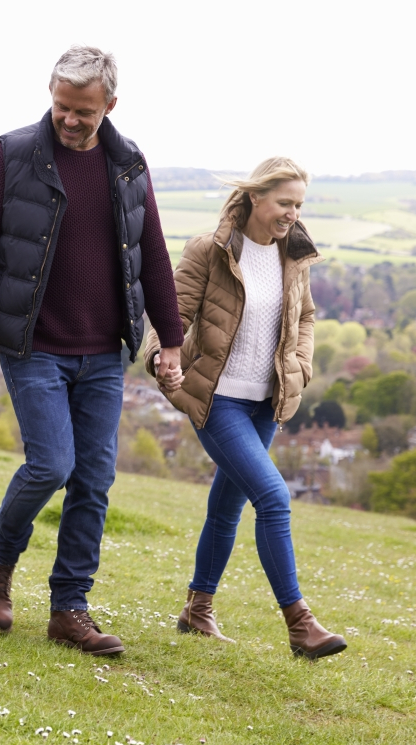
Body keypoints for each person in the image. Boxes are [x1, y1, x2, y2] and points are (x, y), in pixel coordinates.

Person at [0, 45, 184, 656]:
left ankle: (69, 609)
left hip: (104, 349)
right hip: (33, 343)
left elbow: (151, 254)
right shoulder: (13, 154)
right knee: (52, 465)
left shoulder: (128, 163)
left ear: (110, 105)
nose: (70, 120)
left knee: (94, 479)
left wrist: (171, 341)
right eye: (61, 107)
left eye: (83, 111)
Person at [142, 157, 347, 660]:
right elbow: (173, 313)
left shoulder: (292, 256)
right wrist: (157, 356)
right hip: (217, 400)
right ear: (256, 197)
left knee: (227, 506)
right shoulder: (209, 251)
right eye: (284, 203)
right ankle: (300, 624)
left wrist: (300, 366)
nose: (292, 214)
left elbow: (306, 318)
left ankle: (197, 608)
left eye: (298, 205)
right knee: (274, 498)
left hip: (264, 404)